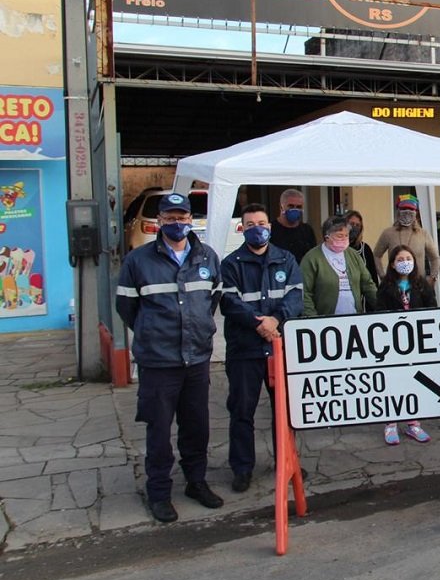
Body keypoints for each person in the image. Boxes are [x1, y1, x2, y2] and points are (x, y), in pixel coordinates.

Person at [115, 192, 224, 523]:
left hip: (196, 358)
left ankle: (196, 481)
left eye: (182, 217)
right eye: (169, 218)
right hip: (158, 362)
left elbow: (212, 301)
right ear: (159, 221)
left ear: (191, 219)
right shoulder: (139, 261)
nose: (177, 223)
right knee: (159, 430)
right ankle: (159, 492)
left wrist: (197, 330)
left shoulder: (207, 258)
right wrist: (151, 333)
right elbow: (127, 308)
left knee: (197, 426)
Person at [219, 203, 303, 493]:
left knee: (284, 410)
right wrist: (260, 325)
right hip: (245, 350)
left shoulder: (286, 259)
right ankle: (242, 469)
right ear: (242, 228)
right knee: (242, 410)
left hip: (279, 349)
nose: (258, 228)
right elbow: (230, 303)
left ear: (270, 225)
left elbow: (295, 298)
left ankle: (287, 460)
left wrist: (276, 320)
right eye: (251, 224)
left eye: (262, 223)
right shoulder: (231, 264)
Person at [374, 246, 435, 446]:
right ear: (392, 264)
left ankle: (413, 423)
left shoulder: (423, 285)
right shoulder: (385, 286)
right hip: (392, 343)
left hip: (416, 341)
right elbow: (379, 313)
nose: (405, 262)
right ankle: (390, 423)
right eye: (400, 259)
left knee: (414, 380)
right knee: (392, 381)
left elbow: (431, 309)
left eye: (409, 258)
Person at [301, 216, 377, 317]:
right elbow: (305, 293)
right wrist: (312, 319)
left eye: (346, 235)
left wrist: (382, 306)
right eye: (340, 236)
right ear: (327, 237)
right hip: (324, 321)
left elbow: (367, 284)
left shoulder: (353, 255)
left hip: (354, 318)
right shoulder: (312, 258)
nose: (345, 239)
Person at [373, 194, 440, 288]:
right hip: (394, 286)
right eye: (404, 209)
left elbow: (435, 258)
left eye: (411, 209)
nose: (407, 212)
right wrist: (382, 276)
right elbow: (376, 255)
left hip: (418, 285)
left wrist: (433, 278)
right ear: (398, 211)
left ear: (416, 212)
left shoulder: (423, 234)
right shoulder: (388, 233)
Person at [270, 188, 318, 265]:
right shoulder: (270, 230)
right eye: (291, 206)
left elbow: (313, 257)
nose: (295, 209)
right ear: (281, 207)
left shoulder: (307, 230)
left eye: (299, 207)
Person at [344, 209, 379, 284]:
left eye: (357, 225)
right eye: (352, 224)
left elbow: (373, 277)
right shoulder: (337, 247)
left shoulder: (365, 249)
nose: (354, 227)